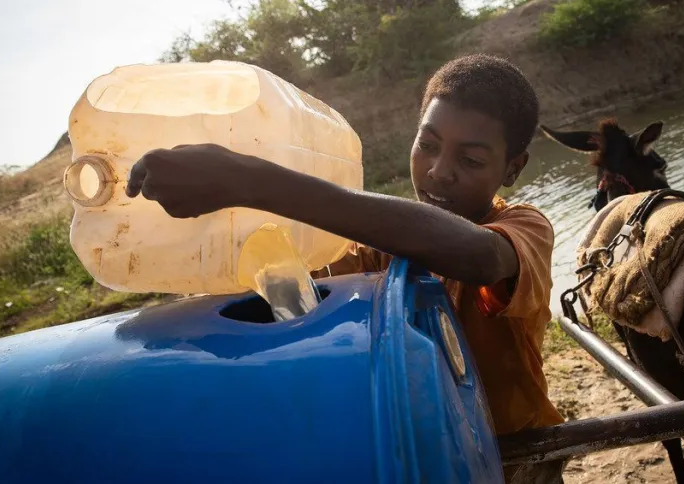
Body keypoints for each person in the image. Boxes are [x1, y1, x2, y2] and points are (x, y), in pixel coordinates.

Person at [125, 53, 565, 483]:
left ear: (513, 168)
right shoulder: (379, 246)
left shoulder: (522, 229)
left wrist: (249, 180)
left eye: (470, 161)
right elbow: (293, 292)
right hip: (423, 451)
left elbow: (480, 257)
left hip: (516, 458)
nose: (437, 171)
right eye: (427, 145)